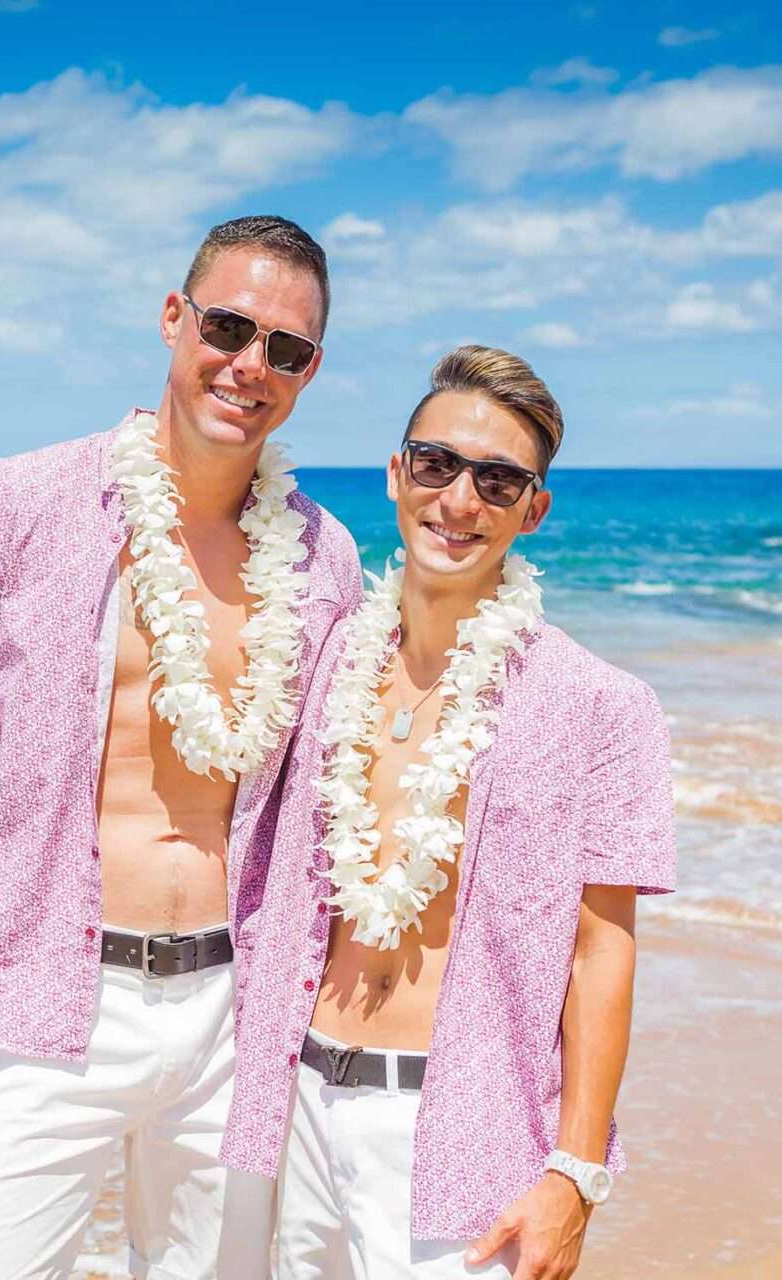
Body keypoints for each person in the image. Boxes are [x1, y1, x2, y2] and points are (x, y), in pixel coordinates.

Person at [0, 214, 363, 1279]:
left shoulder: (328, 559)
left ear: (311, 371)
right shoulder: (15, 503)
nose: (250, 365)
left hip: (238, 1019)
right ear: (175, 319)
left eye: (288, 349)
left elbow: (340, 813)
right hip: (48, 1003)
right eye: (231, 326)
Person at [221, 345, 676, 1279]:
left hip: (460, 1133)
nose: (459, 502)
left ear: (533, 510)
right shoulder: (327, 656)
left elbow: (603, 952)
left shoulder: (603, 707)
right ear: (398, 473)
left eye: (499, 481)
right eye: (436, 465)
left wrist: (575, 1175)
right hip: (296, 1108)